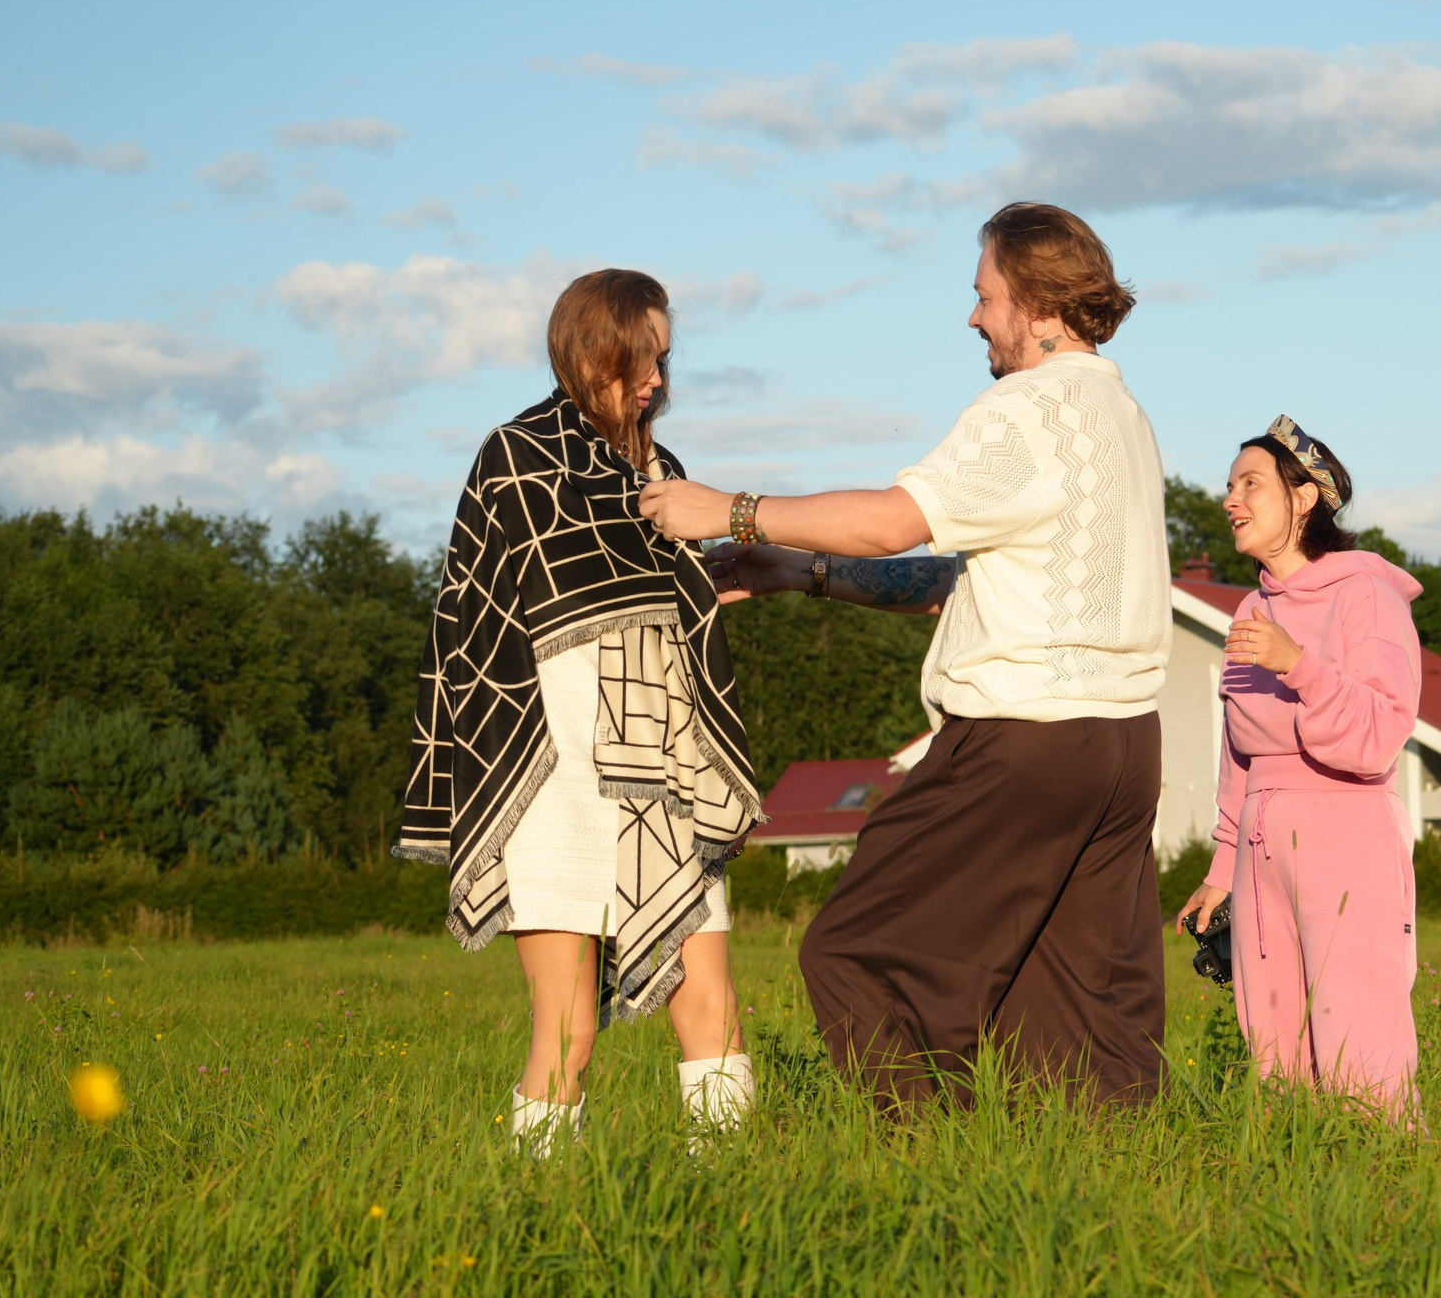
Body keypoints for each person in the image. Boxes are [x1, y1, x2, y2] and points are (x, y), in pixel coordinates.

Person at [641, 202, 1171, 1106]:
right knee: (1076, 1008)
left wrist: (728, 509)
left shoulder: (1024, 413)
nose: (974, 317)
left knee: (863, 950)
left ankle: (922, 1162)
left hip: (1024, 738)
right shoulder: (1118, 413)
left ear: (1039, 307)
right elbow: (950, 579)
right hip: (1122, 749)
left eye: (986, 296)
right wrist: (796, 573)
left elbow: (893, 522)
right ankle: (1114, 1196)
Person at [396, 269, 763, 1156]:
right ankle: (536, 1215)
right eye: (645, 358)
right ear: (594, 348)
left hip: (664, 772)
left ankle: (737, 1199)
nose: (658, 382)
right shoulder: (512, 456)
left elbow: (672, 599)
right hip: (549, 775)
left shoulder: (664, 471)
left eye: (666, 361)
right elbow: (468, 625)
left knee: (711, 1004)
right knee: (567, 1030)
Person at [1173, 419, 1424, 1116]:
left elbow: (1378, 735)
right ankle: (1296, 1181)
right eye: (1229, 486)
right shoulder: (1250, 609)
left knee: (1359, 1038)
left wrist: (1299, 665)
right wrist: (1220, 870)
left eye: (1250, 482)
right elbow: (1238, 752)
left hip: (1348, 832)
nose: (1230, 499)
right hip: (1260, 845)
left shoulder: (1365, 595)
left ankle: (1392, 1180)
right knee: (1273, 1042)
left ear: (1306, 497)